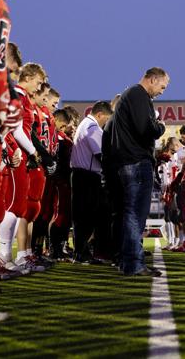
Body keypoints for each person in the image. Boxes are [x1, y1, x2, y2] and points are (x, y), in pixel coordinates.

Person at [111, 68, 168, 276]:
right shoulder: (138, 94)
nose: (162, 91)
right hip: (136, 161)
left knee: (131, 213)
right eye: (162, 86)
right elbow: (147, 129)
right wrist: (160, 126)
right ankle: (134, 263)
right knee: (136, 214)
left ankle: (128, 261)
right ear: (153, 79)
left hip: (128, 162)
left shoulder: (131, 95)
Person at [70, 101, 113, 263]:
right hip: (87, 176)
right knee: (87, 216)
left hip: (83, 175)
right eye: (106, 119)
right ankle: (82, 253)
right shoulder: (92, 128)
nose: (106, 122)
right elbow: (100, 154)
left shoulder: (86, 125)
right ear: (100, 114)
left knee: (84, 216)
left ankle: (83, 252)